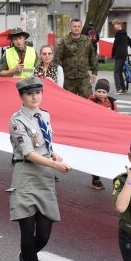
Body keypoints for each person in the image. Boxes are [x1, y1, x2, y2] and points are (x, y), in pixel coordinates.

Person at [9, 77, 72, 261]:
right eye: (30, 94)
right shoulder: (17, 121)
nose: (35, 97)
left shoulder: (44, 115)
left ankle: (25, 255)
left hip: (44, 175)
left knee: (44, 234)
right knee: (27, 230)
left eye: (38, 93)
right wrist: (55, 164)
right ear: (22, 96)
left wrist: (53, 153)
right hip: (26, 175)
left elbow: (45, 144)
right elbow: (28, 152)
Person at [54, 18, 101, 189]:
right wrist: (58, 74)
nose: (76, 28)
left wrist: (94, 71)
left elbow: (92, 56)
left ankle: (87, 124)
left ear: (81, 28)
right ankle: (68, 124)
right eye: (74, 26)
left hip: (82, 78)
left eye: (78, 26)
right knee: (66, 104)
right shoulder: (64, 41)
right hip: (68, 77)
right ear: (70, 28)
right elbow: (57, 58)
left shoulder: (86, 40)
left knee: (88, 103)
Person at [111, 20, 131, 94]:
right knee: (120, 71)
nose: (114, 26)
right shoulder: (124, 33)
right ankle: (124, 88)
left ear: (119, 25)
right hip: (124, 54)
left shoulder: (118, 34)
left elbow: (115, 45)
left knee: (116, 72)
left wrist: (112, 54)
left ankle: (119, 89)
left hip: (119, 54)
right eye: (114, 25)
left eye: (115, 24)